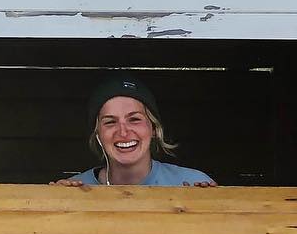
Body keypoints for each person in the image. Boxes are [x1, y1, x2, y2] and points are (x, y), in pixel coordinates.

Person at [53, 72, 216, 187]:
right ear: (98, 134)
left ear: (153, 128)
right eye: (110, 122)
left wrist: (204, 204)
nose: (123, 132)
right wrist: (57, 202)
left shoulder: (191, 182)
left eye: (134, 119)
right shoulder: (75, 190)